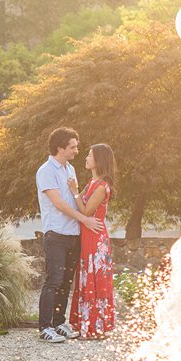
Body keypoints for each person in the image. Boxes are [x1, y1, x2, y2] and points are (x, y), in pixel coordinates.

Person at [35, 127, 101, 344]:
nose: (76, 150)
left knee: (65, 282)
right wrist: (84, 219)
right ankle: (45, 327)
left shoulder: (70, 169)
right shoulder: (46, 170)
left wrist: (88, 192)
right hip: (56, 233)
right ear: (60, 147)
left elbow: (73, 198)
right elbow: (59, 203)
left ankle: (58, 323)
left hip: (73, 233)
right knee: (53, 280)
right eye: (72, 146)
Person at [69, 143, 117, 339]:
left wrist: (74, 191)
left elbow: (86, 211)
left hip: (96, 238)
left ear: (99, 160)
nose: (86, 158)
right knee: (87, 277)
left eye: (89, 155)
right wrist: (77, 192)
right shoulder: (91, 183)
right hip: (87, 234)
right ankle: (87, 323)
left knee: (95, 279)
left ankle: (96, 326)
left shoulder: (102, 186)